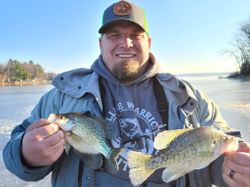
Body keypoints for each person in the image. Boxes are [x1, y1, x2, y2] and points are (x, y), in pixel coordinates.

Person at [3, 1, 250, 187]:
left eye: (135, 35)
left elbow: (224, 141)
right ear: (101, 44)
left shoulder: (188, 96)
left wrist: (230, 168)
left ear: (149, 42)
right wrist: (26, 154)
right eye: (114, 35)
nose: (126, 43)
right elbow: (14, 153)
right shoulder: (62, 96)